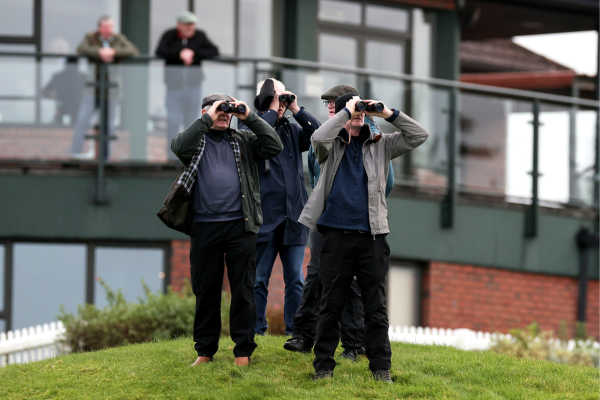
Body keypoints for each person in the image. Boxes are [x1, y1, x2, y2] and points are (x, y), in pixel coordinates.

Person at [298, 93, 429, 382]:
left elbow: (419, 134)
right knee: (330, 306)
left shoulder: (382, 144)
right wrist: (346, 113)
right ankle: (323, 367)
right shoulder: (331, 144)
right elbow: (317, 139)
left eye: (362, 109)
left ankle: (381, 368)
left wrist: (387, 113)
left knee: (376, 307)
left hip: (373, 237)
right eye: (355, 108)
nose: (359, 113)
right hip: (336, 236)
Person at [171, 93, 283, 367]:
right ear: (204, 112)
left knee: (243, 290)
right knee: (206, 291)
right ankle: (205, 352)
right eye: (217, 110)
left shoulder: (243, 139)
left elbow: (274, 145)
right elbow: (178, 147)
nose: (223, 114)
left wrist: (249, 116)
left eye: (227, 110)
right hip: (204, 226)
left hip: (240, 226)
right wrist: (208, 116)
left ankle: (243, 353)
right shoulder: (195, 140)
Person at [284, 85, 395, 361]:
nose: (332, 107)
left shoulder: (373, 136)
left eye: (336, 103)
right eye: (329, 104)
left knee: (350, 285)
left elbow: (387, 182)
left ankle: (354, 344)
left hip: (360, 225)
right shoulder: (330, 133)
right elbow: (316, 171)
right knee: (317, 276)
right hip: (327, 220)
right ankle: (303, 335)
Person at [242, 78, 321, 336]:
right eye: (276, 96)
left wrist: (297, 110)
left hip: (294, 216)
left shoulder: (291, 129)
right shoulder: (254, 125)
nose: (282, 101)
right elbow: (260, 129)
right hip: (265, 217)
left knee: (296, 281)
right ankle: (256, 331)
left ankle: (295, 332)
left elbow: (318, 136)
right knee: (259, 280)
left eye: (283, 96)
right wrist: (273, 110)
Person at [72, 15, 139, 159]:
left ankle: (105, 157)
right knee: (83, 120)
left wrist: (113, 52)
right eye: (105, 27)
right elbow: (81, 49)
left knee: (108, 125)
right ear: (99, 27)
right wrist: (99, 51)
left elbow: (132, 50)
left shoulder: (118, 39)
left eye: (110, 27)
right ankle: (75, 152)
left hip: (112, 90)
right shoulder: (91, 37)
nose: (108, 30)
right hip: (92, 88)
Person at [156, 11, 219, 161]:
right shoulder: (169, 35)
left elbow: (214, 51)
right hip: (174, 88)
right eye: (188, 24)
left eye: (193, 24)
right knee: (173, 121)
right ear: (179, 25)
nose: (191, 28)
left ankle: (190, 156)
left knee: (192, 121)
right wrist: (180, 54)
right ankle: (171, 156)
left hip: (193, 87)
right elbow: (160, 51)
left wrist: (193, 53)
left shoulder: (199, 36)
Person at [42, 56, 87, 125]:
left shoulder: (58, 76)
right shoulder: (82, 77)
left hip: (68, 108)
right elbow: (44, 92)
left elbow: (45, 92)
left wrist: (55, 95)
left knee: (57, 128)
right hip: (65, 108)